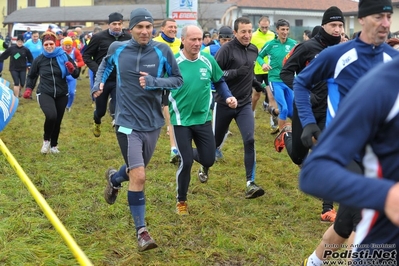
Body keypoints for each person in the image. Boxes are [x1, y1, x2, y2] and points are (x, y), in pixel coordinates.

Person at [294, 1, 399, 265]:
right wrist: (307, 121)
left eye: (389, 17)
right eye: (378, 17)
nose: (385, 24)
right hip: (344, 150)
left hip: (379, 156)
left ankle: (315, 261)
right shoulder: (337, 55)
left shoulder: (393, 60)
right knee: (362, 219)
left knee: (343, 225)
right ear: (362, 19)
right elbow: (300, 82)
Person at [93, 8, 183, 251]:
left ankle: (114, 178)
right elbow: (103, 66)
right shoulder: (118, 49)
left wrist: (155, 82)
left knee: (136, 169)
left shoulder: (162, 50)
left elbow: (177, 79)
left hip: (153, 122)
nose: (144, 31)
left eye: (148, 27)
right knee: (140, 175)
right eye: (139, 27)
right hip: (125, 120)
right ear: (130, 29)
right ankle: (142, 231)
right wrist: (97, 84)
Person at [280, 6, 345, 223]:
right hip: (306, 109)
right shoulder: (307, 47)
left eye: (340, 25)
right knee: (299, 155)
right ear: (324, 25)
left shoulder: (346, 50)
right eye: (333, 25)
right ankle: (286, 136)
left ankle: (328, 208)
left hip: (331, 111)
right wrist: (304, 92)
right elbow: (286, 71)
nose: (337, 29)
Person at [170, 25, 237, 215]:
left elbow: (219, 80)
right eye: (193, 39)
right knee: (187, 163)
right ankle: (181, 201)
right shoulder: (173, 62)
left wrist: (228, 96)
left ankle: (185, 153)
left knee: (209, 159)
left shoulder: (207, 60)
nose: (197, 43)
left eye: (200, 39)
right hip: (181, 120)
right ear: (183, 40)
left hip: (203, 118)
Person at [212, 17, 265, 199]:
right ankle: (204, 166)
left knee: (249, 140)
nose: (247, 35)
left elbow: (248, 73)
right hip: (224, 103)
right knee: (213, 146)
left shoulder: (253, 50)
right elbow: (215, 75)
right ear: (235, 33)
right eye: (243, 31)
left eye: (250, 31)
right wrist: (235, 73)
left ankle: (250, 183)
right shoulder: (225, 50)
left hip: (243, 104)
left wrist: (257, 84)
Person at [23, 31, 79, 154]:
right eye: (46, 44)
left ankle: (54, 146)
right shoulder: (39, 60)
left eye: (51, 44)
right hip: (44, 92)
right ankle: (46, 140)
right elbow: (32, 76)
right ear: (43, 45)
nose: (49, 46)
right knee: (51, 116)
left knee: (58, 120)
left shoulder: (64, 55)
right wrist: (28, 88)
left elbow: (76, 74)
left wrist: (72, 69)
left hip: (61, 93)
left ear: (55, 43)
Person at [83, 12, 132, 137]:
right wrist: (97, 69)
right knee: (100, 111)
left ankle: (117, 122)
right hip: (102, 79)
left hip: (119, 79)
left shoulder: (128, 38)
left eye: (119, 24)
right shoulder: (98, 37)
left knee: (118, 105)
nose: (117, 26)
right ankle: (97, 121)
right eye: (114, 24)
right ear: (108, 24)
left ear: (123, 24)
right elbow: (86, 55)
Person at [257, 19, 297, 140]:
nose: (285, 32)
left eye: (287, 29)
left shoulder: (293, 44)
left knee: (291, 112)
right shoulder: (270, 44)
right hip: (275, 80)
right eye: (282, 30)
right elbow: (259, 56)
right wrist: (263, 64)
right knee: (284, 108)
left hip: (289, 80)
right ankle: (282, 138)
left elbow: (300, 59)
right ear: (277, 30)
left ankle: (274, 112)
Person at [152, 18, 182, 164]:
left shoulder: (179, 42)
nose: (173, 29)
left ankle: (177, 146)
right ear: (162, 28)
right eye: (170, 27)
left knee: (176, 114)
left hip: (178, 83)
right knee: (169, 114)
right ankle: (173, 149)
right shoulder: (155, 42)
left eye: (175, 27)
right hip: (162, 83)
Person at [250, 16, 278, 133]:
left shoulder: (272, 35)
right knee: (256, 96)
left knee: (271, 95)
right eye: (263, 27)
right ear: (258, 25)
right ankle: (250, 115)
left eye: (267, 27)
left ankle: (273, 120)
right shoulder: (253, 36)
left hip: (269, 70)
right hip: (257, 69)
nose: (265, 29)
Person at [62, 37, 85, 111]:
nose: (68, 47)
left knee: (71, 92)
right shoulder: (59, 50)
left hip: (72, 76)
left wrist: (76, 64)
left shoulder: (75, 51)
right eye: (66, 45)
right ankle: (62, 105)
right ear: (63, 45)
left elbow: (82, 62)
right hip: (62, 75)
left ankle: (68, 106)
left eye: (69, 45)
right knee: (63, 92)